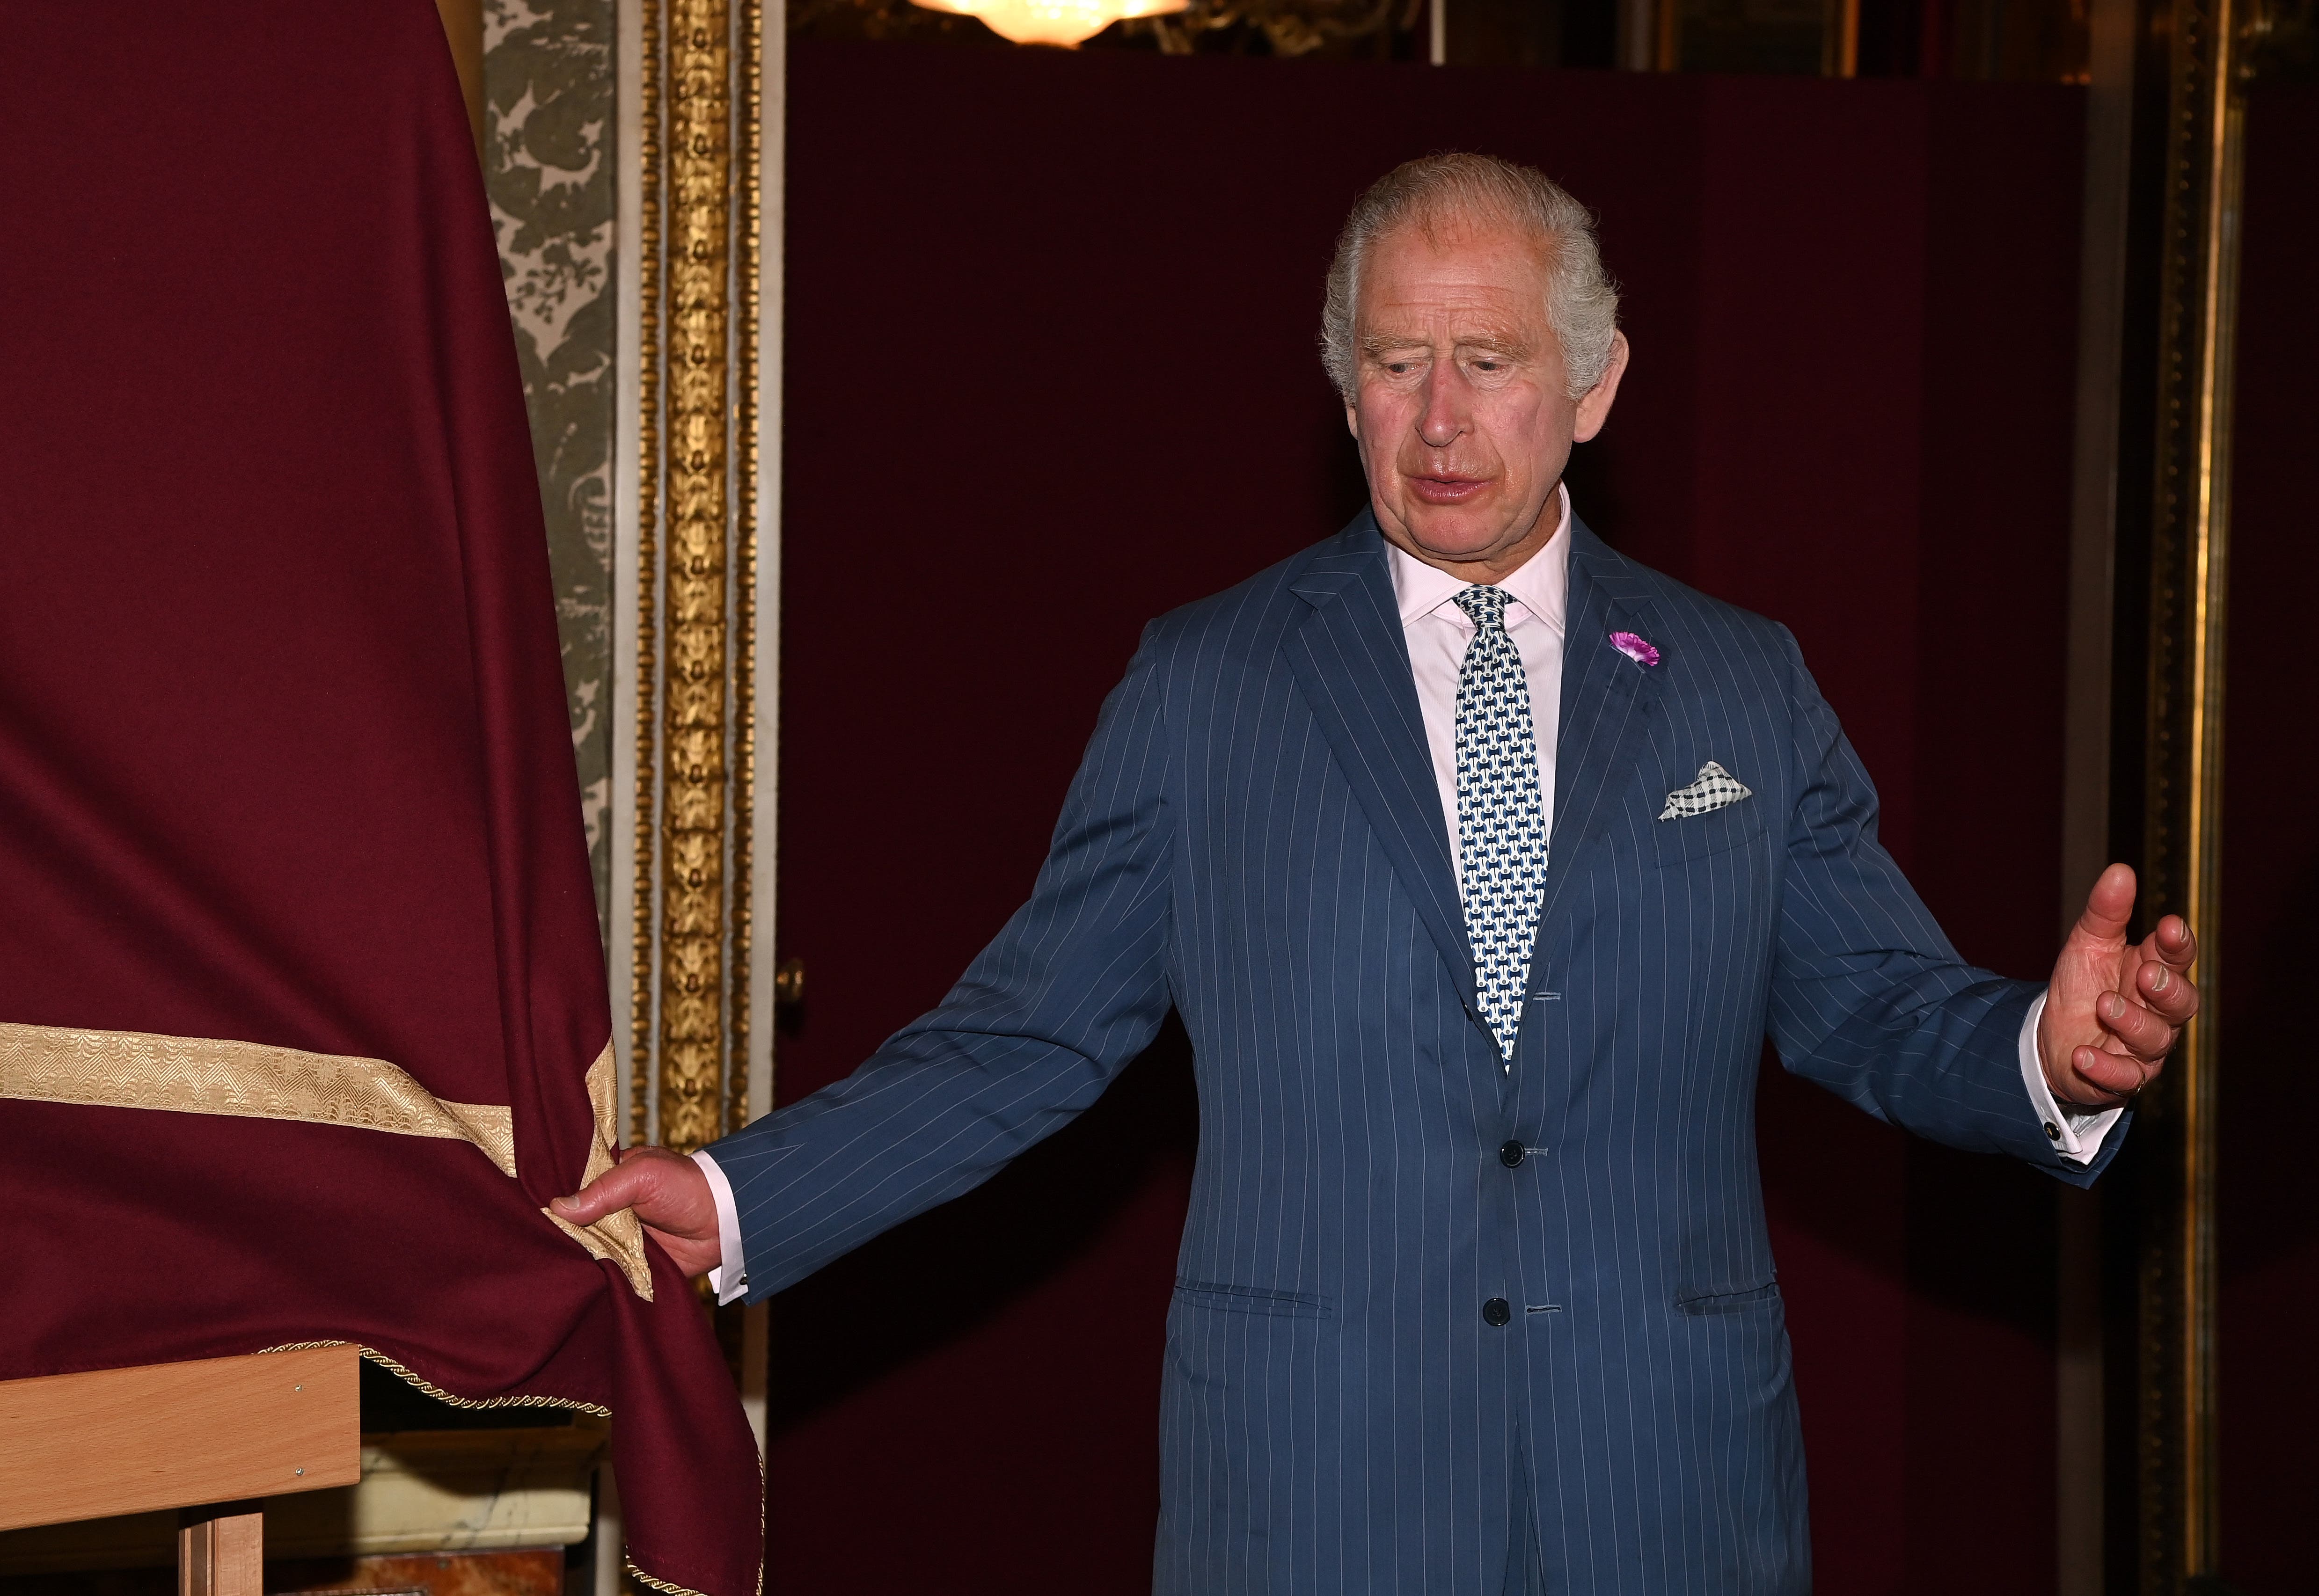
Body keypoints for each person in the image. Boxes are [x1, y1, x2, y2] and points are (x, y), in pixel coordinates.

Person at [555, 153, 2197, 1593]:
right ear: (1341, 389)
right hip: (1314, 1497)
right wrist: (730, 1193)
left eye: (1485, 361)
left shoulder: (1734, 683)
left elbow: (1872, 1001)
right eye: (1392, 363)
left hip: (1669, 1493)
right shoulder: (1204, 690)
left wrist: (2041, 1057)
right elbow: (1024, 1036)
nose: (1435, 418)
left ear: (1596, 380)